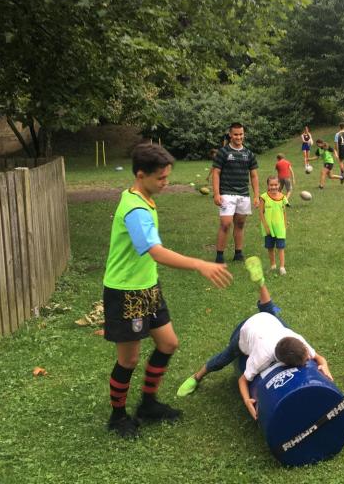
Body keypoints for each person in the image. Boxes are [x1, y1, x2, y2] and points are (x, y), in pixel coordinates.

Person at [102, 144, 233, 438]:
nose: (166, 182)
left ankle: (147, 404)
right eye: (160, 178)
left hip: (148, 288)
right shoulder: (136, 209)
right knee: (129, 360)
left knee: (168, 344)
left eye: (166, 176)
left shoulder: (142, 197)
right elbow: (156, 252)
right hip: (126, 292)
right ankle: (118, 416)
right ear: (140, 175)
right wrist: (200, 264)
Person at [176, 257, 333, 421]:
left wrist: (324, 365)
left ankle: (260, 282)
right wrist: (247, 401)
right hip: (248, 330)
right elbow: (243, 380)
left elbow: (319, 357)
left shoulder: (296, 339)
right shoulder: (261, 357)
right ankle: (196, 377)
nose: (308, 358)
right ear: (283, 363)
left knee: (269, 310)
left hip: (271, 323)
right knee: (225, 356)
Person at [212, 122, 260, 263]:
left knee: (240, 224)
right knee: (226, 223)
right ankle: (219, 256)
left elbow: (254, 176)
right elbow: (216, 173)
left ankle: (238, 253)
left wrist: (256, 195)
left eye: (241, 134)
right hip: (226, 193)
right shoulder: (223, 152)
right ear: (230, 135)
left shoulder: (249, 153)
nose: (238, 137)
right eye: (236, 134)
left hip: (243, 194)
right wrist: (216, 193)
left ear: (243, 135)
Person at [259, 175, 289, 275]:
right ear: (268, 185)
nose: (273, 187)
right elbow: (261, 213)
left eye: (275, 185)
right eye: (271, 185)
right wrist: (266, 226)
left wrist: (285, 224)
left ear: (279, 185)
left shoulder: (283, 198)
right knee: (270, 247)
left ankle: (282, 267)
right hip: (268, 228)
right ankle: (273, 265)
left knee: (281, 247)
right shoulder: (263, 197)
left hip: (280, 227)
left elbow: (284, 212)